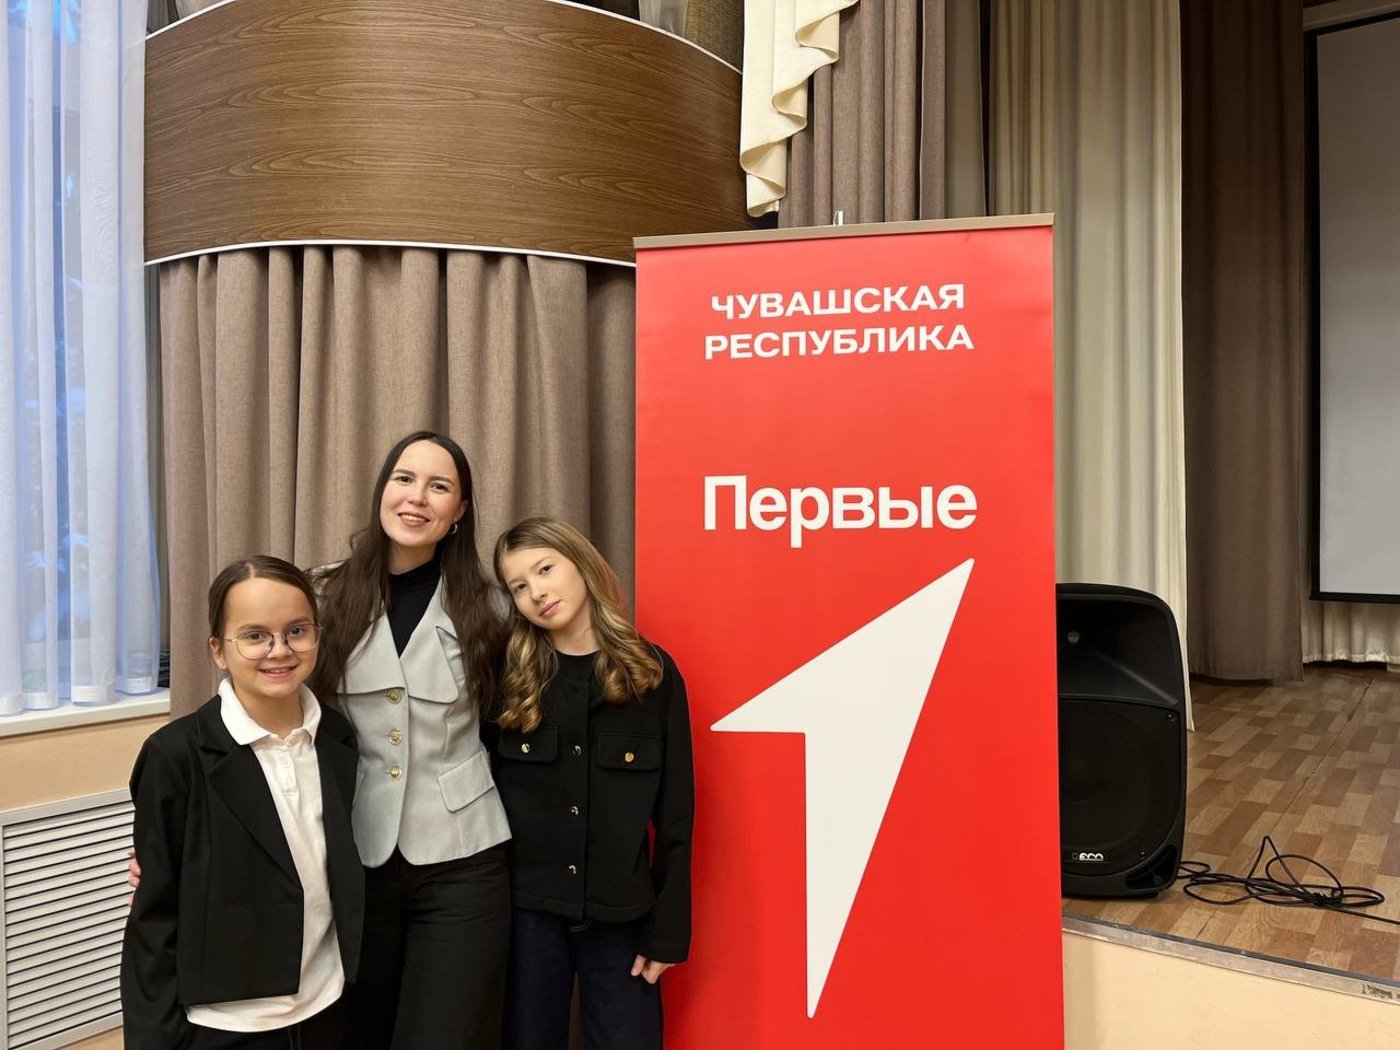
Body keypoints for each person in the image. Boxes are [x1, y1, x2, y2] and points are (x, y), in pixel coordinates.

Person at [309, 430, 512, 1049]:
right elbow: (258, 712)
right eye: (404, 479)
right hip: (354, 857)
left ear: (460, 511)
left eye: (438, 486)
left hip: (464, 862)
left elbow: (520, 733)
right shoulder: (321, 595)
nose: (417, 497)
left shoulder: (495, 609)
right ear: (382, 490)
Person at [121, 556, 363, 1049]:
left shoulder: (337, 737)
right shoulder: (174, 755)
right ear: (218, 650)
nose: (280, 650)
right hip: (226, 1023)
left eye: (297, 631)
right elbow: (153, 919)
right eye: (255, 636)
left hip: (327, 1005)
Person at [491, 517, 694, 1050]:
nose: (536, 592)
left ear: (581, 563)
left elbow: (676, 814)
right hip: (527, 919)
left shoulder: (652, 674)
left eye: (544, 570)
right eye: (518, 586)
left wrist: (668, 931)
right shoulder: (508, 678)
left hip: (623, 920)